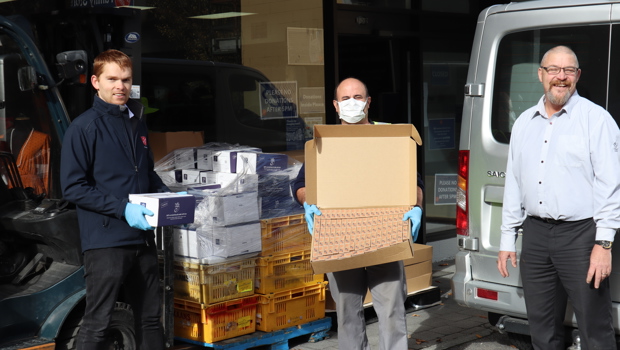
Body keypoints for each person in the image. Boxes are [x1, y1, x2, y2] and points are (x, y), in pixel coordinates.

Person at [497, 45, 620, 349]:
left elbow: (611, 186)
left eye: (568, 71)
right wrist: (506, 239)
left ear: (577, 76)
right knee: (541, 329)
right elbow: (514, 182)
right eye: (553, 69)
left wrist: (603, 244)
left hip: (580, 235)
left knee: (595, 328)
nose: (560, 77)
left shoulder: (596, 120)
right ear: (541, 74)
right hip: (536, 235)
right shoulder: (524, 122)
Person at [291, 77, 424, 350]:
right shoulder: (325, 141)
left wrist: (417, 206)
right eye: (346, 99)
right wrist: (308, 201)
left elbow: (415, 182)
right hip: (340, 237)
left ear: (368, 102)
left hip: (386, 232)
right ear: (336, 106)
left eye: (358, 97)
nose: (352, 103)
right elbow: (301, 185)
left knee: (391, 310)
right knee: (347, 312)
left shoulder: (390, 136)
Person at [60, 49, 169, 350]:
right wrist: (123, 208)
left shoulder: (136, 123)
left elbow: (147, 173)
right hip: (106, 241)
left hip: (141, 236)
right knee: (98, 322)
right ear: (95, 82)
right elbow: (73, 187)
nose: (120, 86)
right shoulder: (83, 129)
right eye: (112, 79)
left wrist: (168, 197)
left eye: (126, 79)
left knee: (149, 318)